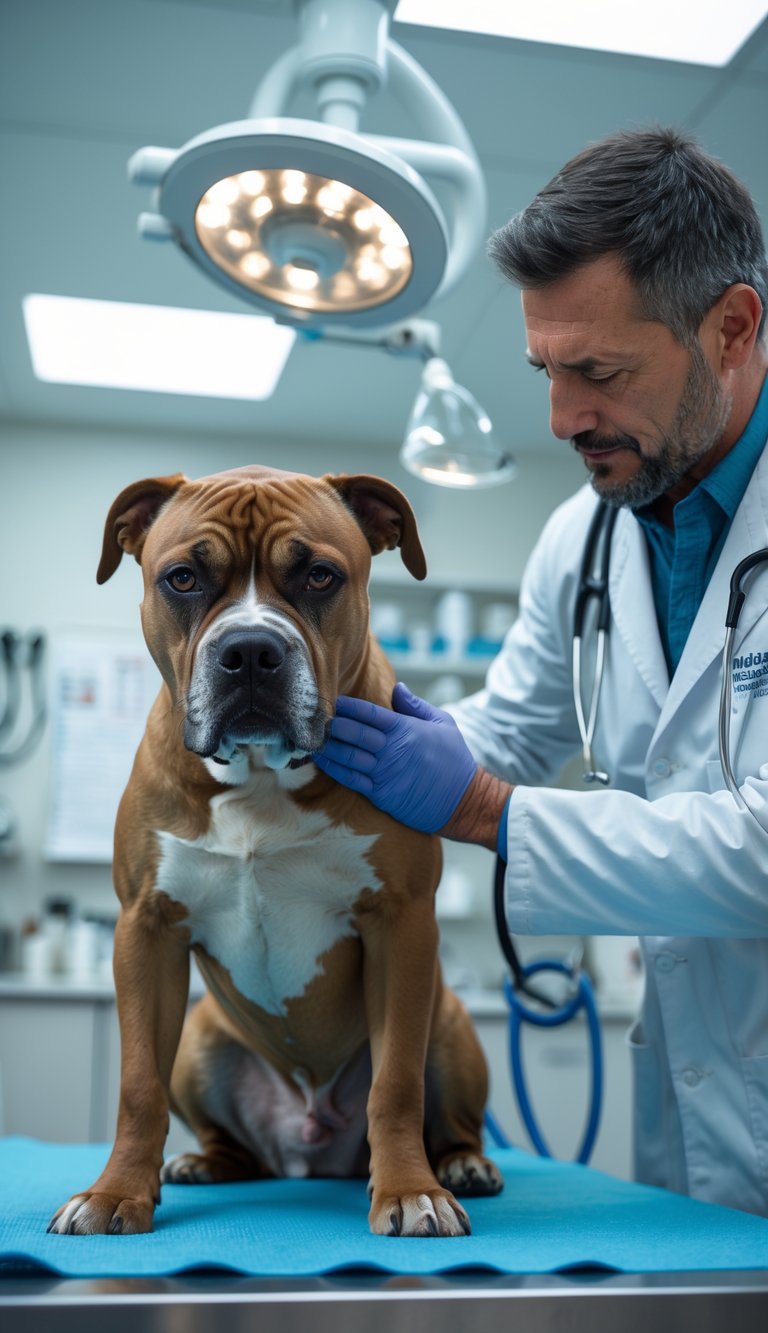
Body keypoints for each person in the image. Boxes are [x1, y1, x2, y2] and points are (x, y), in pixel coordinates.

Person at [313, 127, 768, 1218]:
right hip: (697, 1129)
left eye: (599, 372)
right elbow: (510, 728)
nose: (563, 418)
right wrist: (348, 737)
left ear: (734, 327)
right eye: (547, 371)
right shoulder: (591, 532)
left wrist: (480, 808)